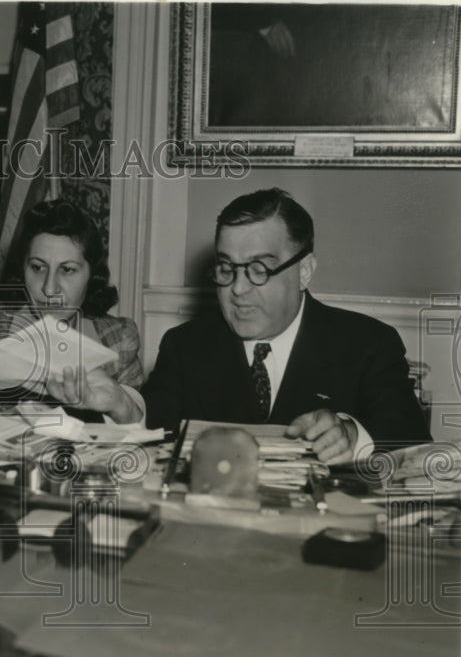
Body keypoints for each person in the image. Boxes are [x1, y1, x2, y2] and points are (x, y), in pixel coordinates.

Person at [141, 188, 432, 463]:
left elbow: (413, 442)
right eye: (227, 268)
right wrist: (125, 409)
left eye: (259, 270)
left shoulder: (368, 345)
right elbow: (151, 433)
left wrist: (353, 436)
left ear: (304, 272)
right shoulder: (185, 346)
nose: (238, 288)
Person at [0, 199, 144, 423]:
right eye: (38, 267)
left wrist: (121, 404)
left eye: (67, 270)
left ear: (92, 275)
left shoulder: (119, 339)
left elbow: (144, 437)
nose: (49, 288)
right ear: (22, 269)